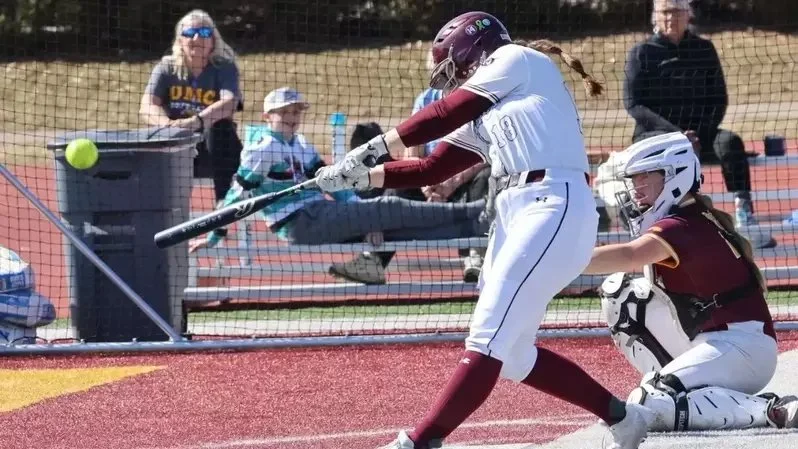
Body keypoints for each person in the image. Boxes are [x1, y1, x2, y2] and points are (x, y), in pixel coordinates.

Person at [314, 11, 653, 449]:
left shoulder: (517, 59)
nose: (450, 78)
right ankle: (623, 418)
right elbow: (432, 167)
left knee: (487, 339)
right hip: (516, 211)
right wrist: (361, 177)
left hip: (553, 200)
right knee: (511, 355)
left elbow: (444, 112)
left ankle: (419, 441)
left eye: (451, 66)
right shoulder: (490, 109)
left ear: (471, 50)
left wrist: (376, 146)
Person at [581, 132, 798, 431]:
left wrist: (561, 259)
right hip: (716, 339)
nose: (635, 188)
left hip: (743, 349)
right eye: (633, 179)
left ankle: (770, 410)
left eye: (644, 177)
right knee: (620, 293)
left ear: (674, 176)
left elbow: (631, 255)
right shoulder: (690, 216)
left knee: (647, 404)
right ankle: (669, 387)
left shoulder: (681, 226)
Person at [187, 87, 487, 255]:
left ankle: (477, 227)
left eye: (295, 111)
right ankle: (476, 211)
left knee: (397, 231)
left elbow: (334, 182)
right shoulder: (263, 148)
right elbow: (238, 194)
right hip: (299, 223)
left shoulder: (301, 144)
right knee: (389, 207)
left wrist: (361, 212)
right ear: (268, 117)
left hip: (318, 214)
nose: (292, 117)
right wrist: (214, 235)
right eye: (284, 112)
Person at [623, 0, 773, 248]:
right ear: (655, 17)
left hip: (701, 135)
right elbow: (634, 104)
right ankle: (650, 218)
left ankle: (744, 211)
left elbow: (719, 99)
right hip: (656, 136)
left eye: (676, 11)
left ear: (688, 15)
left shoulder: (704, 49)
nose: (671, 17)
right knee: (652, 164)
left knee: (730, 143)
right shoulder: (641, 52)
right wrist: (677, 136)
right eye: (665, 12)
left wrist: (698, 133)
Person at [140, 9, 244, 204]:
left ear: (213, 40)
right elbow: (147, 106)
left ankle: (223, 204)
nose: (197, 38)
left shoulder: (225, 67)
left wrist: (196, 122)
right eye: (189, 33)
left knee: (220, 128)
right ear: (180, 40)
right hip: (177, 145)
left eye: (204, 32)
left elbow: (229, 103)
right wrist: (167, 125)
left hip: (215, 150)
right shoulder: (166, 68)